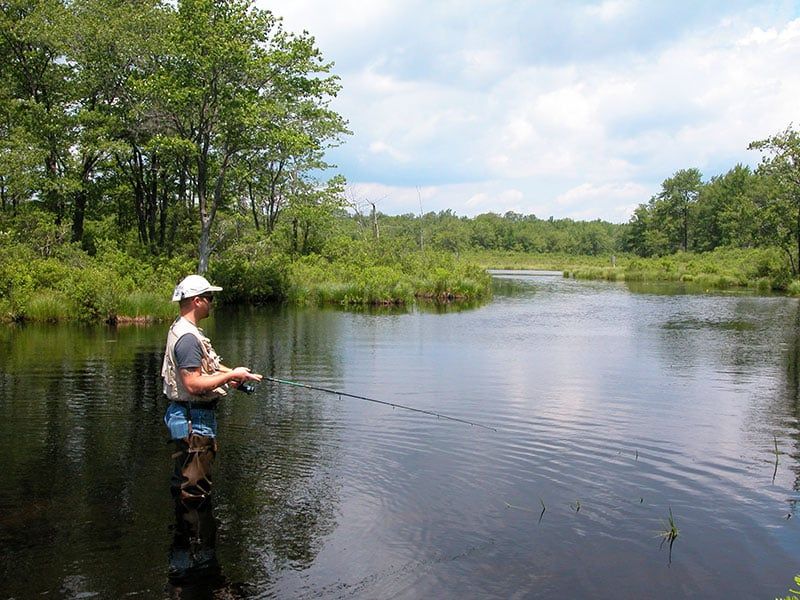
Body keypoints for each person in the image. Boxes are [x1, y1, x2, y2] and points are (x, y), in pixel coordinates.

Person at [162, 274, 262, 504]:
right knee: (195, 491)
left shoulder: (184, 329)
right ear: (197, 301)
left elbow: (206, 368)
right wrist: (230, 375)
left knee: (186, 483)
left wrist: (232, 375)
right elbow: (193, 384)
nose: (212, 302)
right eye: (209, 298)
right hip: (193, 424)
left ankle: (186, 535)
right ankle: (195, 537)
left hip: (189, 419)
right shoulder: (187, 338)